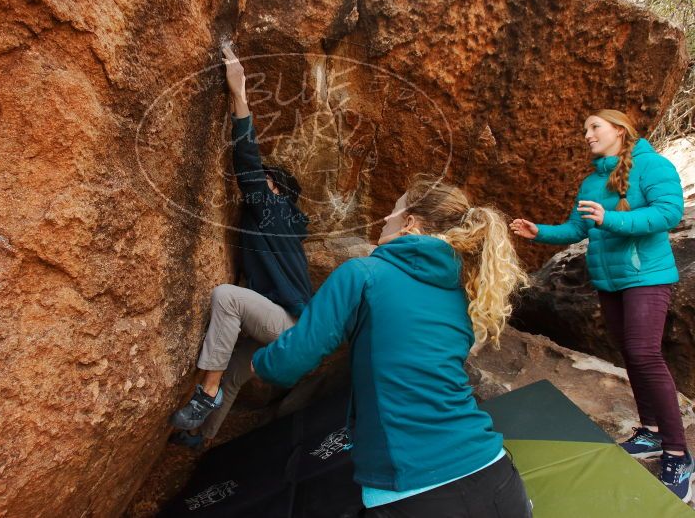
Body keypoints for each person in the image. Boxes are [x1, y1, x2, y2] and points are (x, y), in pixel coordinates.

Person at [252, 180, 533, 517]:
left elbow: (288, 363)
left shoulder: (363, 273)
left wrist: (255, 364)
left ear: (410, 222)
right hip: (494, 473)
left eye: (394, 210)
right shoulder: (463, 295)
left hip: (413, 489)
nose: (385, 217)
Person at [510, 109, 689, 501]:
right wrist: (538, 231)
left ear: (620, 130)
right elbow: (577, 229)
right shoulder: (591, 181)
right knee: (631, 354)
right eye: (585, 129)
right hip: (609, 282)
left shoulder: (652, 166)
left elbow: (668, 213)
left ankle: (678, 453)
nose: (587, 135)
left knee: (645, 354)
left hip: (648, 277)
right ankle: (651, 433)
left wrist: (612, 219)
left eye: (594, 127)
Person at [169, 45, 313, 447]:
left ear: (276, 190)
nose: (257, 184)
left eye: (266, 180)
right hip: (288, 328)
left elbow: (247, 163)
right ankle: (200, 436)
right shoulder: (278, 224)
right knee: (234, 372)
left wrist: (239, 95)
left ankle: (204, 396)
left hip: (290, 326)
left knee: (227, 298)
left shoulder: (274, 209)